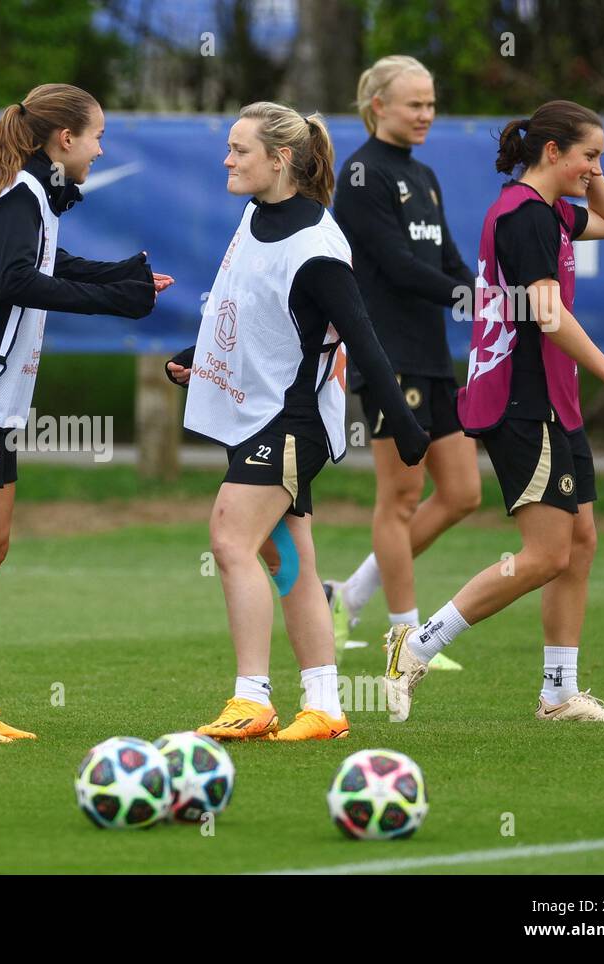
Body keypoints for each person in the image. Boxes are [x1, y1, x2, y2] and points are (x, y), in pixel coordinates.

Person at [0, 83, 170, 743]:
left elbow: (44, 263)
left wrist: (124, 274)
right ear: (65, 139)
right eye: (97, 136)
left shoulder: (33, 196)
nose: (101, 148)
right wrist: (116, 303)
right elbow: (16, 279)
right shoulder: (18, 194)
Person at [166, 101, 428, 742]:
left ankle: (252, 699)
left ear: (280, 160)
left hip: (291, 422)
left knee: (230, 541)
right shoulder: (255, 214)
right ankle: (325, 706)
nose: (227, 160)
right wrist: (196, 358)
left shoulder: (316, 246)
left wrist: (405, 426)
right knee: (290, 566)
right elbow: (248, 308)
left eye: (240, 150)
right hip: (263, 416)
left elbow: (363, 342)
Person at [384, 100, 604, 723]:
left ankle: (559, 694)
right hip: (522, 403)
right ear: (552, 152)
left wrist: (591, 170)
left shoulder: (550, 210)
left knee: (580, 543)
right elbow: (548, 315)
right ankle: (416, 646)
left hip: (552, 403)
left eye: (602, 159)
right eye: (588, 156)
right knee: (545, 554)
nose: (595, 169)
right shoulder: (524, 217)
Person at [323, 56, 480, 669]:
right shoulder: (361, 174)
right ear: (377, 105)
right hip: (387, 357)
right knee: (402, 496)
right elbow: (397, 269)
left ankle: (348, 594)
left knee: (463, 492)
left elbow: (447, 262)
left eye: (431, 104)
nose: (425, 115)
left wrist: (490, 299)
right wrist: (476, 296)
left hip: (433, 356)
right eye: (414, 103)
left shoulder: (425, 174)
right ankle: (405, 639)